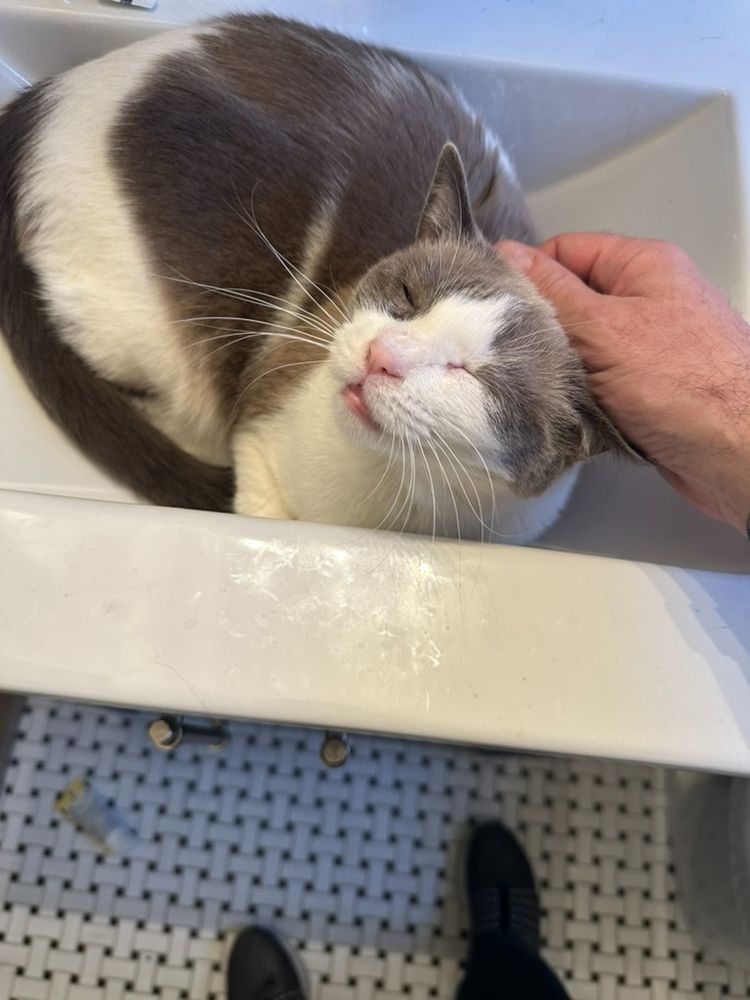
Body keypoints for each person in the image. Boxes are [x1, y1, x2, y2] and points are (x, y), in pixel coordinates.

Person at [224, 233, 750, 1000]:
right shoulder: (361, 385)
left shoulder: (542, 441)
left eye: (473, 377)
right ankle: (505, 946)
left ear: (566, 447)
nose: (388, 352)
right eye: (404, 302)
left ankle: (504, 954)